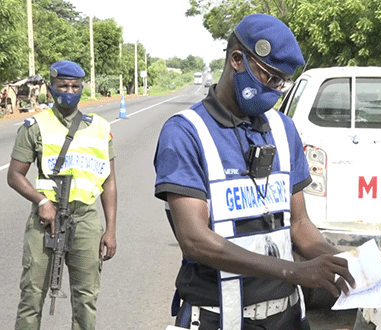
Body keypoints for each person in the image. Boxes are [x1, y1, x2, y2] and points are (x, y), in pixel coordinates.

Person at [154, 13, 355, 330]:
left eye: (282, 82)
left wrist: (343, 263)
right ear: (237, 60)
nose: (276, 89)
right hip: (218, 318)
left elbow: (299, 224)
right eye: (269, 77)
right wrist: (292, 271)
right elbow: (194, 239)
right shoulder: (185, 133)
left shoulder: (283, 128)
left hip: (286, 316)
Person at [7, 60, 117, 330]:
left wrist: (110, 229)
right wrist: (41, 201)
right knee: (32, 297)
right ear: (51, 89)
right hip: (46, 220)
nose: (69, 91)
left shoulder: (101, 128)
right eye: (63, 86)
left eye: (75, 86)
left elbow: (110, 181)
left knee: (86, 299)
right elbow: (14, 175)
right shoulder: (35, 127)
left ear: (82, 88)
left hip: (86, 219)